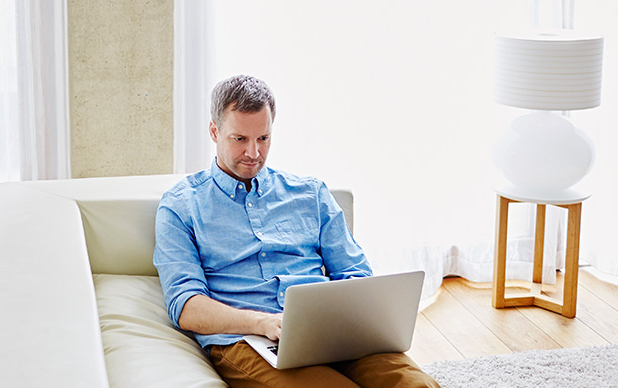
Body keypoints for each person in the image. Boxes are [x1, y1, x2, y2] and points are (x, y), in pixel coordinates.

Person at [153, 75, 439, 388]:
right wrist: (263, 322)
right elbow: (186, 306)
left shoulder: (310, 194)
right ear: (214, 131)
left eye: (263, 138)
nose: (253, 152)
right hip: (247, 339)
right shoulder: (182, 205)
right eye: (240, 139)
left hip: (331, 331)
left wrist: (350, 320)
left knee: (418, 386)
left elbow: (355, 274)